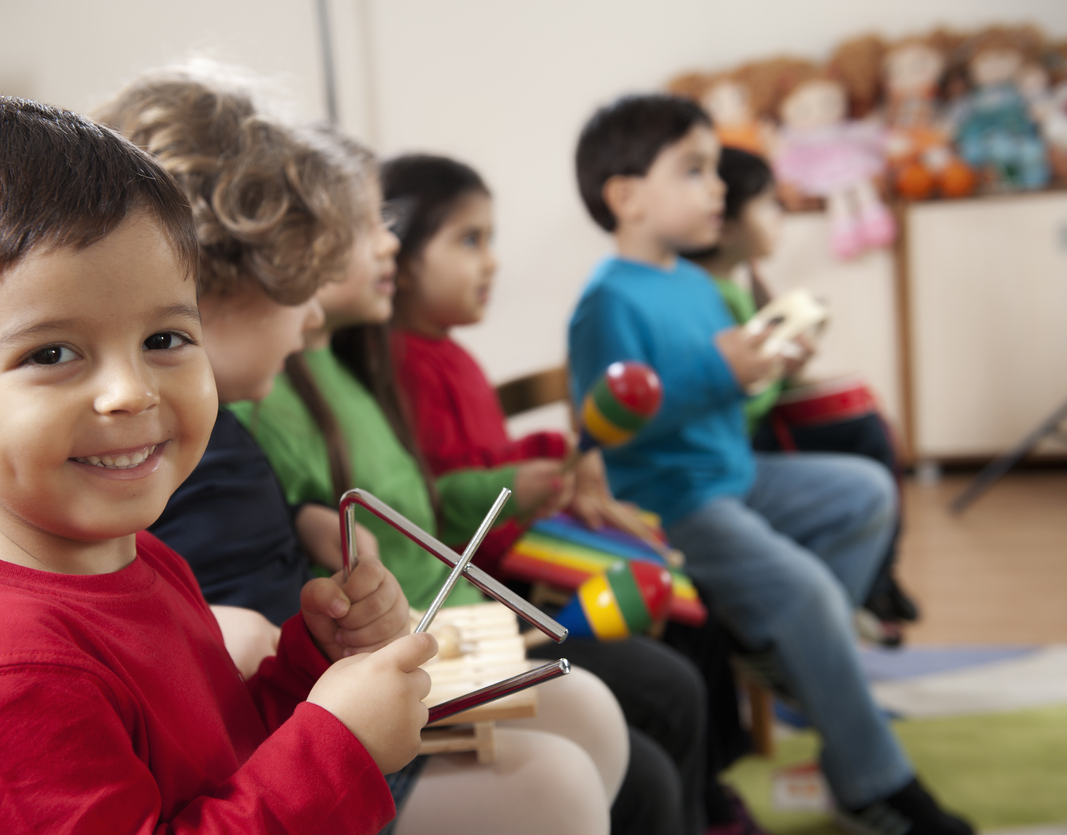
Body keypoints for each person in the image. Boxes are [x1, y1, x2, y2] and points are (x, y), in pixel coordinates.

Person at [0, 69, 620, 835]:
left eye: (164, 338)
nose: (130, 393)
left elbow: (223, 759)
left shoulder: (137, 559)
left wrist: (313, 668)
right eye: (52, 352)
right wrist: (339, 744)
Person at [238, 149, 711, 835]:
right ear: (284, 244)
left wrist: (521, 478)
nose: (388, 243)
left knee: (663, 696)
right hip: (431, 642)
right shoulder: (271, 398)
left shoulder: (344, 366)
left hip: (465, 618)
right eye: (368, 223)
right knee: (647, 757)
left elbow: (418, 505)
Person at [567, 92, 973, 835]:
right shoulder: (605, 302)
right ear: (625, 197)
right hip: (673, 502)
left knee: (866, 492)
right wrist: (720, 372)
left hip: (736, 477)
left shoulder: (695, 283)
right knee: (810, 594)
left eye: (715, 169)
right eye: (694, 170)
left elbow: (729, 392)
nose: (717, 186)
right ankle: (869, 782)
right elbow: (611, 432)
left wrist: (769, 363)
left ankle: (777, 654)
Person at [382, 151, 767, 835]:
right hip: (503, 574)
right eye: (470, 240)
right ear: (401, 258)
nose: (492, 260)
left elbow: (482, 457)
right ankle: (697, 800)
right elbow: (437, 496)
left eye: (491, 239)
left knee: (683, 595)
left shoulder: (452, 353)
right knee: (674, 635)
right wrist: (519, 481)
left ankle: (705, 790)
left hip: (519, 546)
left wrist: (553, 455)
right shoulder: (406, 366)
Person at [682, 146, 919, 644]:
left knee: (866, 423)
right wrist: (778, 369)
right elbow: (737, 402)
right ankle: (854, 594)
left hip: (746, 437)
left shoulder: (737, 284)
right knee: (866, 434)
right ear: (723, 224)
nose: (780, 215)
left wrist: (788, 368)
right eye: (768, 204)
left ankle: (867, 584)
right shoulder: (711, 294)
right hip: (738, 450)